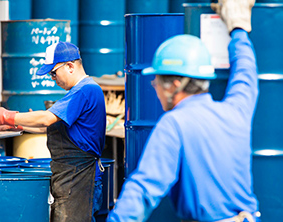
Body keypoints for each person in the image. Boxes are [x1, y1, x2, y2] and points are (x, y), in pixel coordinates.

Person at [107, 0, 260, 221]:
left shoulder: (174, 124)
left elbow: (143, 189)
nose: (154, 87)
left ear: (175, 85)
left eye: (157, 80)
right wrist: (238, 30)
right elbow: (246, 73)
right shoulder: (236, 111)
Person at [0, 42, 106, 222]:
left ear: (70, 66)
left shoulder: (85, 90)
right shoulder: (78, 91)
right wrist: (13, 126)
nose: (52, 79)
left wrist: (7, 116)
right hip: (70, 177)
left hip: (80, 179)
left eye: (53, 73)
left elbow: (46, 119)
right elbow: (47, 126)